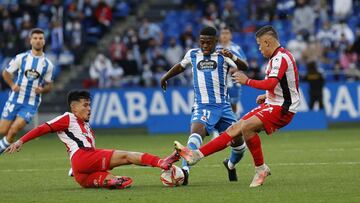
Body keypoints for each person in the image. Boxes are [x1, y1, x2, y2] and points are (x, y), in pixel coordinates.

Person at [174, 25, 300, 188]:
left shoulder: (281, 58)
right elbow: (281, 85)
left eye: (260, 44)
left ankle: (260, 169)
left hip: (282, 109)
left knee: (247, 127)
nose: (259, 49)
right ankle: (196, 155)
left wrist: (247, 81)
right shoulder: (277, 57)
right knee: (234, 129)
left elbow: (271, 82)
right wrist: (267, 95)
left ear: (267, 42)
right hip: (273, 103)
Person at [6, 90, 180, 189]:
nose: (89, 109)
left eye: (90, 105)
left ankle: (110, 181)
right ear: (74, 107)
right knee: (126, 156)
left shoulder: (86, 126)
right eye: (85, 105)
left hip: (80, 174)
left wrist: (75, 168)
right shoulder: (68, 118)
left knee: (118, 180)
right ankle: (161, 162)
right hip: (83, 157)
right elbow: (41, 128)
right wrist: (21, 140)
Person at [160, 27, 248, 185]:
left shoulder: (223, 54)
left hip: (224, 107)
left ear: (215, 41)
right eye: (202, 42)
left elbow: (245, 67)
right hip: (203, 105)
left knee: (240, 146)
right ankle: (185, 172)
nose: (205, 45)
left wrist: (233, 57)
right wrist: (165, 77)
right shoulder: (193, 54)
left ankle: (230, 164)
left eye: (208, 42)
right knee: (196, 132)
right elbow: (181, 66)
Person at [0, 28, 54, 154]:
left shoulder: (48, 64)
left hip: (30, 103)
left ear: (44, 41)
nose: (38, 41)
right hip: (15, 99)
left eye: (40, 38)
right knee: (2, 130)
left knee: (14, 129)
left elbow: (50, 86)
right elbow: (5, 73)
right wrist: (12, 85)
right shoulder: (21, 58)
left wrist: (43, 89)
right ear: (30, 41)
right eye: (35, 38)